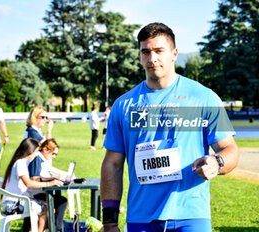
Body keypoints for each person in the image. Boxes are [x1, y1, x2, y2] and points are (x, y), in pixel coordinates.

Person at [100, 22, 239, 232]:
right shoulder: (123, 105)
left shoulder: (203, 97)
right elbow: (112, 164)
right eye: (145, 52)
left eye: (158, 51)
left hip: (191, 216)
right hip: (141, 218)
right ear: (139, 56)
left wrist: (217, 162)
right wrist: (109, 222)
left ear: (173, 54)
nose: (152, 58)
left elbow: (230, 149)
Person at [1, 138, 63, 232]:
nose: (37, 154)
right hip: (13, 205)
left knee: (47, 206)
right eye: (36, 151)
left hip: (13, 202)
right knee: (50, 209)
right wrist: (50, 183)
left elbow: (31, 180)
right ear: (29, 151)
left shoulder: (19, 162)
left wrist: (50, 179)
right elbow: (29, 183)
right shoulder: (20, 163)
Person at [27, 138, 68, 232]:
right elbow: (34, 178)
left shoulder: (43, 159)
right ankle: (55, 229)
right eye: (53, 153)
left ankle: (54, 228)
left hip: (39, 191)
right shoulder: (37, 159)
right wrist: (51, 179)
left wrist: (53, 177)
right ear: (45, 149)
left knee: (60, 200)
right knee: (61, 202)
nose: (54, 156)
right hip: (34, 193)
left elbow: (43, 175)